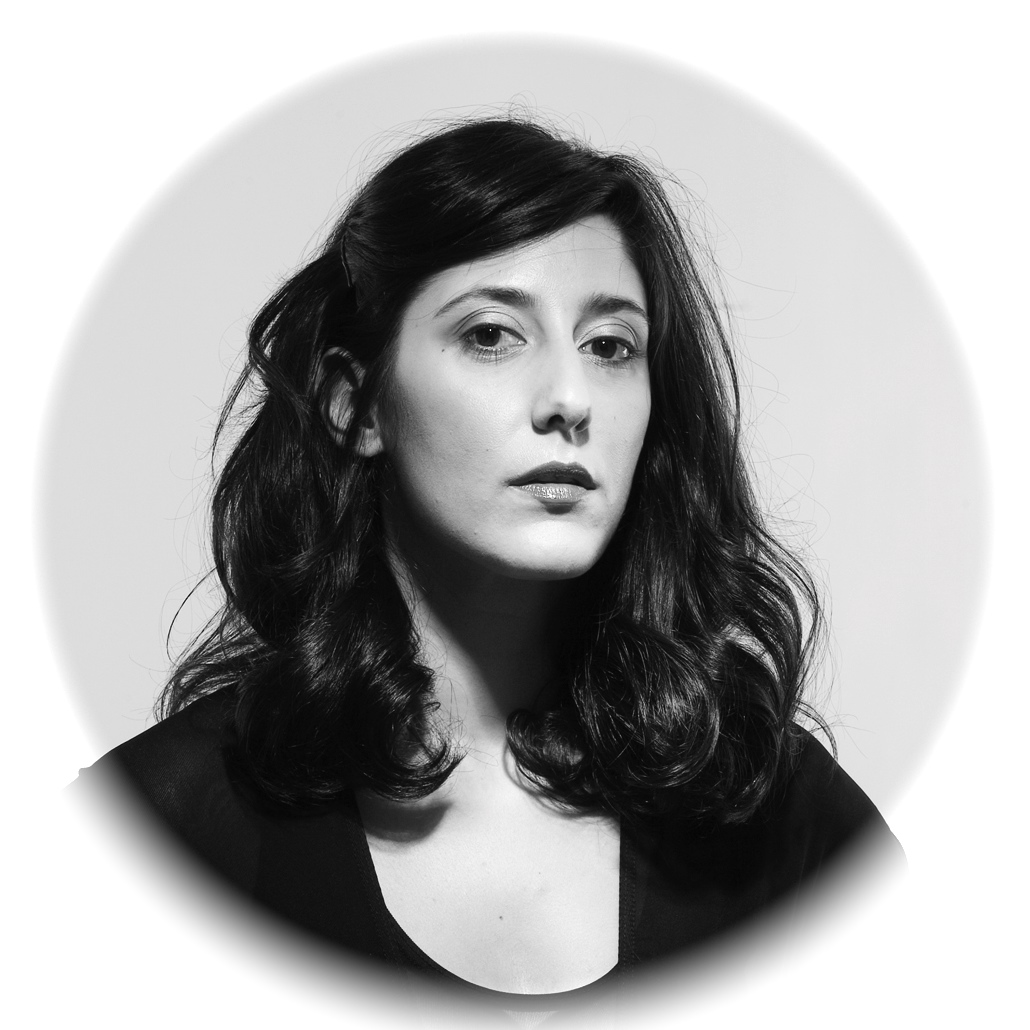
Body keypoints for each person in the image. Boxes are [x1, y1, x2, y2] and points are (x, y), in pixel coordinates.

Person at [79, 116, 899, 1007]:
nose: (570, 399)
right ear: (357, 404)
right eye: (491, 335)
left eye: (610, 346)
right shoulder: (156, 828)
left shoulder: (775, 811)